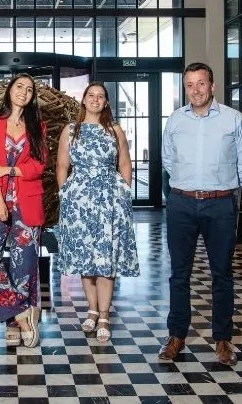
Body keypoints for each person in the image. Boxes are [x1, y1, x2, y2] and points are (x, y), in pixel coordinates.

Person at [159, 62, 242, 366]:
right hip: (182, 203)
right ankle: (176, 336)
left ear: (212, 85)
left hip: (220, 204)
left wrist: (222, 187)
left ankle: (223, 339)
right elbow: (168, 160)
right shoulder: (175, 120)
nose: (196, 90)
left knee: (222, 274)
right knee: (179, 274)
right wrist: (187, 185)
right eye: (190, 84)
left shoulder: (233, 119)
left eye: (201, 83)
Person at [55, 82, 139, 343]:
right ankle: (91, 310)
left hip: (109, 200)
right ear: (83, 99)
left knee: (105, 259)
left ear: (106, 102)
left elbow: (125, 163)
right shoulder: (71, 130)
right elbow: (61, 165)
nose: (95, 99)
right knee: (85, 259)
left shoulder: (115, 130)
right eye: (91, 95)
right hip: (78, 201)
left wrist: (124, 193)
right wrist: (65, 193)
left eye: (100, 96)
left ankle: (104, 315)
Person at [0, 74, 46, 348]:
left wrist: (10, 169)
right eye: (19, 86)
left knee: (24, 264)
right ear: (9, 90)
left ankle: (13, 324)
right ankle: (20, 314)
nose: (23, 92)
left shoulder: (37, 126)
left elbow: (39, 165)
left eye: (29, 89)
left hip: (28, 202)